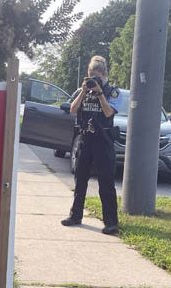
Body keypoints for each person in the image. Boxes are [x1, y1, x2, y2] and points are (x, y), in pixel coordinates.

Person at [61, 56, 120, 235]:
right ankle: (75, 215)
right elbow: (72, 109)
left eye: (96, 76)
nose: (92, 79)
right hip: (85, 140)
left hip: (103, 141)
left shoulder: (112, 92)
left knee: (106, 182)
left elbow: (109, 112)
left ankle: (111, 222)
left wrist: (100, 92)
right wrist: (84, 92)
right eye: (89, 76)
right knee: (80, 179)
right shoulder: (83, 90)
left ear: (103, 75)